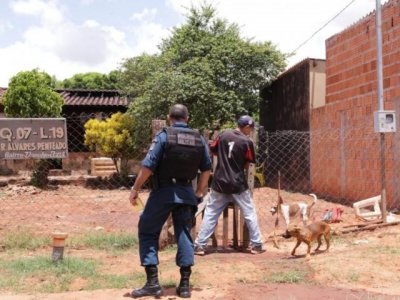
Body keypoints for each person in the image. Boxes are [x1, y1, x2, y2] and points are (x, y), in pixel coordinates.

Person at [128, 104, 212, 298]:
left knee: (148, 230)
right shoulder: (199, 139)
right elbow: (206, 168)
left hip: (163, 193)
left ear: (169, 118)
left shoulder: (163, 136)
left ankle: (152, 283)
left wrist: (135, 189)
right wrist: (199, 190)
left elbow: (148, 167)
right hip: (186, 193)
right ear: (187, 118)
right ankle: (184, 286)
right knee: (184, 234)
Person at [194, 115, 265, 255]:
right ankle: (257, 244)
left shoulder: (223, 135)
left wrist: (225, 159)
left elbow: (214, 151)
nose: (250, 131)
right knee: (249, 213)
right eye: (250, 128)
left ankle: (200, 246)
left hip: (220, 182)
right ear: (245, 127)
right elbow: (248, 163)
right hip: (238, 183)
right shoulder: (247, 142)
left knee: (211, 213)